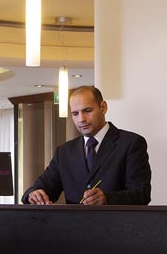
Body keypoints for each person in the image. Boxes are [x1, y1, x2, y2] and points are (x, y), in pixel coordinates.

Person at [21, 86, 151, 205]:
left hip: (116, 223)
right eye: (75, 114)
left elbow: (141, 195)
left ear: (103, 107)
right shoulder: (64, 152)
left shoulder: (131, 143)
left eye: (87, 111)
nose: (81, 119)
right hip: (74, 223)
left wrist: (107, 199)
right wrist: (33, 195)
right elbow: (41, 188)